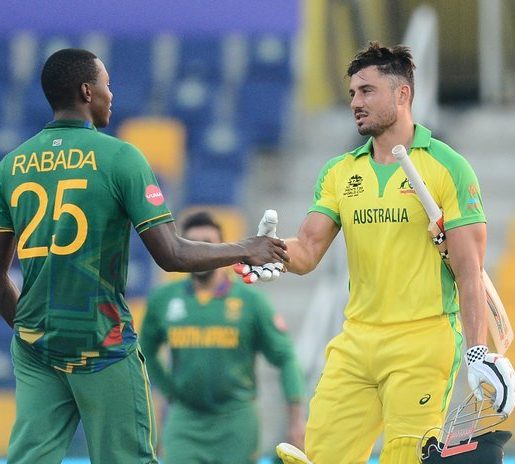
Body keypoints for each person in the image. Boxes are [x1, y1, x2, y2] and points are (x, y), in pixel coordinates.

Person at [0, 48, 288, 464]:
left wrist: (33, 330)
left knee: (29, 459)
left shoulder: (11, 166)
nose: (111, 94)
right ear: (87, 91)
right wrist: (247, 247)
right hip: (101, 341)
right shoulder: (121, 157)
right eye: (106, 84)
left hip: (35, 345)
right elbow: (171, 254)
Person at [267, 42, 515, 463]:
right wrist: (267, 251)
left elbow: (468, 271)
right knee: (321, 456)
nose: (355, 103)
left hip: (423, 339)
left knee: (404, 457)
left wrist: (477, 350)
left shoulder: (447, 167)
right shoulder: (341, 171)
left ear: (402, 94)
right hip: (357, 339)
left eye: (366, 91)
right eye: (351, 94)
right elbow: (307, 250)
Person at [139, 210, 306, 464]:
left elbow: (285, 357)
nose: (201, 249)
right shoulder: (164, 300)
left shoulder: (251, 301)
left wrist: (295, 419)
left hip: (236, 421)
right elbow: (145, 351)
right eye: (193, 244)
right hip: (186, 421)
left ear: (221, 248)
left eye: (208, 242)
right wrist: (169, 389)